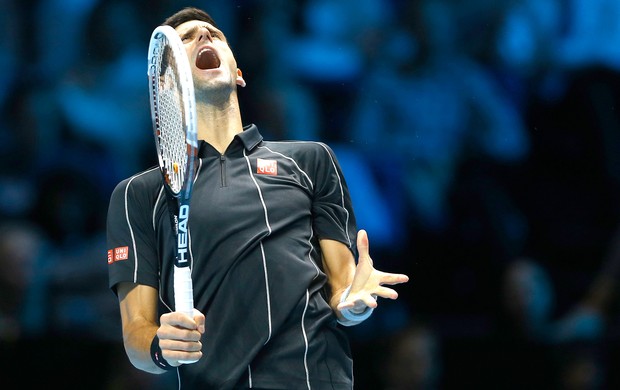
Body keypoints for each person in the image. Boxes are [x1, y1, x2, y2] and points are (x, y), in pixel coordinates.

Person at [106, 7, 409, 389]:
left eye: (215, 34)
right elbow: (136, 333)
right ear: (164, 86)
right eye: (187, 38)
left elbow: (344, 286)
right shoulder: (139, 195)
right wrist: (161, 346)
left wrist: (355, 306)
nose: (204, 37)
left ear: (238, 73)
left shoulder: (310, 160)